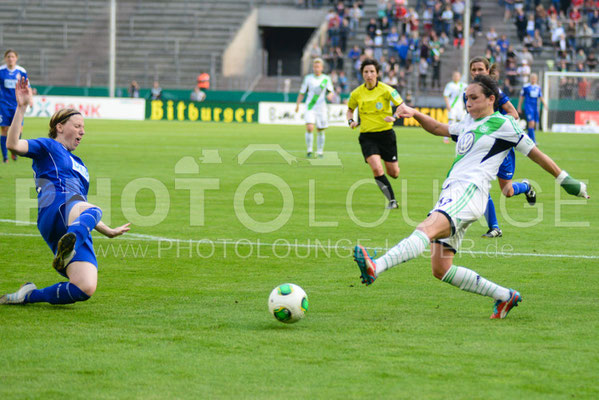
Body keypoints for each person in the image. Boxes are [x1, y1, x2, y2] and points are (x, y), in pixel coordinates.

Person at [353, 74, 590, 319]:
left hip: (469, 190)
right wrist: (414, 113)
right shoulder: (468, 122)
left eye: (474, 98)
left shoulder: (504, 124)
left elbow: (536, 154)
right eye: (467, 98)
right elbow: (438, 128)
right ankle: (505, 296)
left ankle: (376, 267)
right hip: (454, 192)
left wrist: (567, 181)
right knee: (441, 268)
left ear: (491, 99)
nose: (468, 103)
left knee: (425, 229)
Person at [0, 77, 130, 306]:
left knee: (85, 286)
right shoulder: (48, 146)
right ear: (59, 127)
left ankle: (29, 295)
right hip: (56, 206)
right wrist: (21, 108)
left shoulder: (80, 163)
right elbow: (14, 145)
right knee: (93, 208)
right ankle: (69, 246)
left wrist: (107, 230)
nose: (82, 132)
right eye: (77, 126)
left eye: (84, 128)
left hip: (71, 218)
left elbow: (82, 207)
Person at [468, 56, 535, 238]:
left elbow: (513, 113)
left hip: (500, 146)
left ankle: (526, 187)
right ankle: (494, 227)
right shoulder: (468, 92)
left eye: (480, 69)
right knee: (479, 183)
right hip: (481, 147)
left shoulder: (495, 92)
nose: (476, 73)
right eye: (473, 70)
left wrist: (495, 126)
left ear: (488, 71)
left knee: (508, 191)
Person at [347, 58, 408, 210]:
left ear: (378, 73)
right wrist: (351, 121)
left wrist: (395, 117)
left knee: (393, 173)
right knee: (376, 169)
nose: (369, 75)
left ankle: (393, 169)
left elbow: (401, 106)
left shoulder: (387, 90)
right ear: (362, 74)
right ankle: (392, 201)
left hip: (386, 135)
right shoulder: (356, 93)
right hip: (367, 137)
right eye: (366, 72)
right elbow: (349, 110)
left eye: (372, 71)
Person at [295, 58, 335, 158]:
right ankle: (309, 150)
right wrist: (297, 104)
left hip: (321, 107)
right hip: (310, 106)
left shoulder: (326, 79)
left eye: (318, 67)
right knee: (309, 127)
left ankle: (320, 151)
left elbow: (331, 91)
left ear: (322, 68)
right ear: (313, 67)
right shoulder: (308, 78)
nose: (316, 69)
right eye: (315, 67)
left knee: (320, 130)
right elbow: (302, 92)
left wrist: (330, 95)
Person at [1, 49, 31, 163]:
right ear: (5, 58)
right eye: (8, 56)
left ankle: (14, 151)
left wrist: (30, 100)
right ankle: (5, 157)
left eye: (12, 56)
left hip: (17, 104)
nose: (10, 59)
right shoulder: (1, 71)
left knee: (18, 129)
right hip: (3, 105)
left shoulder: (21, 71)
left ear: (16, 58)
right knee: (4, 129)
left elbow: (27, 86)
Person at [517, 73, 546, 143]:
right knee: (531, 123)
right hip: (528, 107)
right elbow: (521, 97)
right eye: (532, 78)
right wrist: (519, 107)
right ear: (530, 79)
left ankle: (527, 139)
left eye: (534, 78)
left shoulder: (538, 87)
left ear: (536, 79)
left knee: (533, 124)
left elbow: (540, 97)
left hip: (535, 107)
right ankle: (533, 140)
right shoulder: (526, 87)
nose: (533, 79)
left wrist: (545, 104)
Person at [443, 71, 467, 144]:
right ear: (453, 77)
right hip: (452, 106)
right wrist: (448, 105)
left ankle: (459, 137)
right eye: (455, 76)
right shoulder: (450, 85)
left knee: (461, 121)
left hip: (460, 106)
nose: (456, 77)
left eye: (458, 76)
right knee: (451, 121)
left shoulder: (463, 85)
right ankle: (446, 137)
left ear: (460, 77)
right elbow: (446, 95)